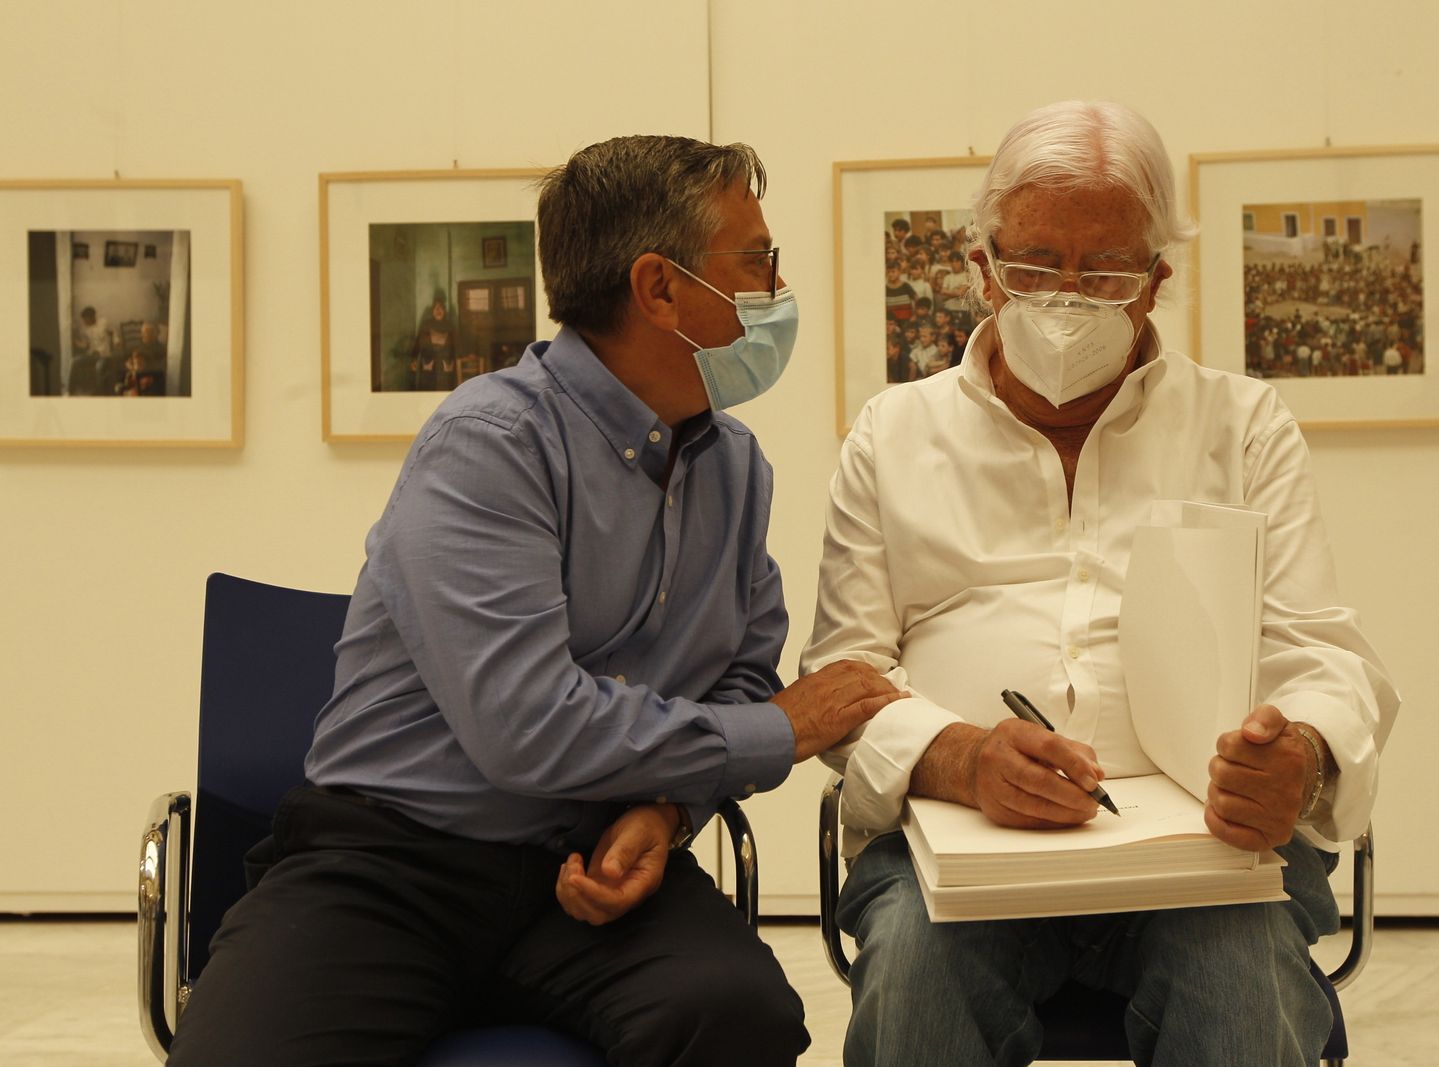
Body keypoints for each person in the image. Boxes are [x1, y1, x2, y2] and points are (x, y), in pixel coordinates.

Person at [167, 134, 904, 1067]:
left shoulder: (737, 469)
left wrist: (668, 810)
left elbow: (740, 672)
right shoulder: (490, 443)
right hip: (392, 867)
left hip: (595, 868)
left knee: (740, 1016)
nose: (773, 287)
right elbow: (528, 724)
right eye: (755, 261)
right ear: (660, 288)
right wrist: (783, 729)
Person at [802, 100, 1399, 1067]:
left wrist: (1302, 751)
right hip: (953, 849)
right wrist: (956, 756)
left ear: (1157, 281)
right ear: (980, 265)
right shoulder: (894, 434)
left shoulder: (1240, 425)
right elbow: (840, 675)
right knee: (914, 971)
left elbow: (1323, 653)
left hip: (1207, 857)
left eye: (1107, 272)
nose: (1067, 299)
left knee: (1240, 976)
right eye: (1035, 266)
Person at [410, 297, 458, 389]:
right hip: (428, 363)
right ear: (432, 311)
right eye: (435, 308)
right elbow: (418, 343)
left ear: (444, 310)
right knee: (427, 388)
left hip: (445, 365)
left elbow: (457, 344)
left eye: (441, 308)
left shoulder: (450, 325)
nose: (438, 310)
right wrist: (414, 359)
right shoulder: (426, 324)